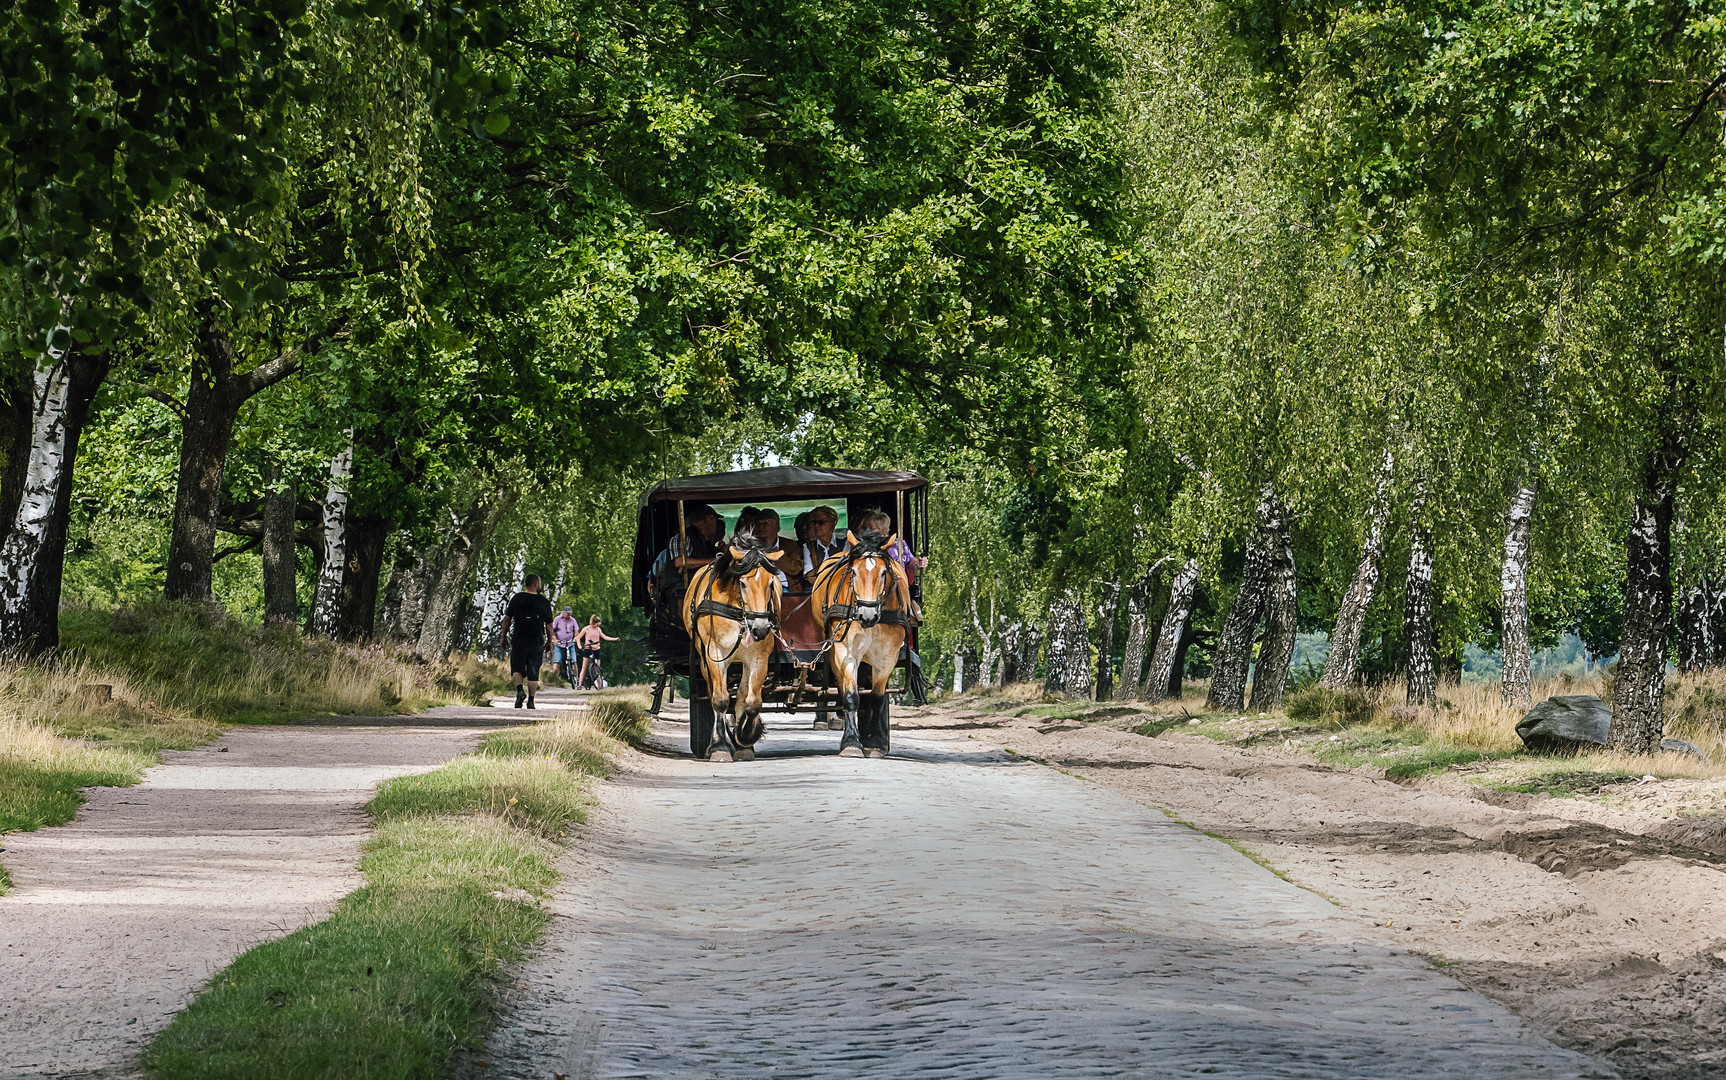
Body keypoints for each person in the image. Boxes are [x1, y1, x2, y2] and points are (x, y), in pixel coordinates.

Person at [500, 574, 555, 708]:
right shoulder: (543, 602)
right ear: (536, 584)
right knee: (533, 670)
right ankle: (531, 701)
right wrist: (549, 641)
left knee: (517, 667)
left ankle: (519, 691)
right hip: (536, 640)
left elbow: (507, 619)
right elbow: (549, 624)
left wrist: (504, 636)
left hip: (519, 638)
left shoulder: (517, 598)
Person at [800, 505, 844, 578]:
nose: (816, 526)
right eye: (814, 523)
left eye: (821, 522)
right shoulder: (808, 547)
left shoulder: (845, 543)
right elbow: (810, 575)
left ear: (832, 525)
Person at [577, 615, 620, 689]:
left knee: (597, 669)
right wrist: (579, 646)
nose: (598, 626)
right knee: (584, 667)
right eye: (597, 624)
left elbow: (605, 637)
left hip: (596, 649)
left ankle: (600, 685)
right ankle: (579, 684)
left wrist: (615, 639)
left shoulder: (598, 630)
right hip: (588, 648)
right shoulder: (586, 629)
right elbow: (578, 637)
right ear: (593, 622)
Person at [551, 606, 580, 685]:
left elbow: (576, 631)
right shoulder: (557, 619)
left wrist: (575, 637)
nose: (569, 614)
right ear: (563, 612)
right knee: (557, 661)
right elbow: (553, 631)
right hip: (559, 643)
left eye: (570, 613)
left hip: (570, 643)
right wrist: (555, 639)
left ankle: (577, 679)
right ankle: (553, 678)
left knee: (574, 661)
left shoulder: (573, 620)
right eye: (567, 613)